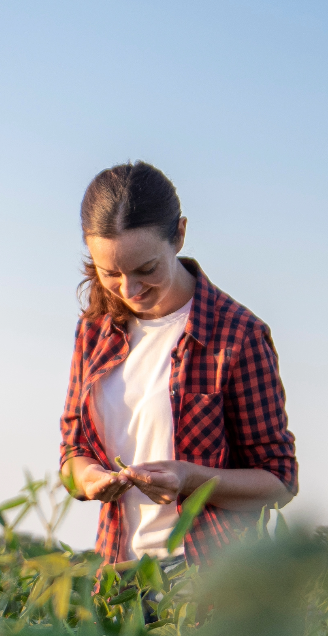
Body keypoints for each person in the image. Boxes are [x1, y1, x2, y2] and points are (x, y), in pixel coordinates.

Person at [60, 161, 297, 566]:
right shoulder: (94, 330)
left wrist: (190, 479)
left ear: (180, 235)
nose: (129, 289)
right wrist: (88, 480)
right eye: (110, 273)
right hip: (118, 571)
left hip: (209, 576)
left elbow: (279, 482)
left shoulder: (238, 335)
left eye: (146, 269)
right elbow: (73, 450)